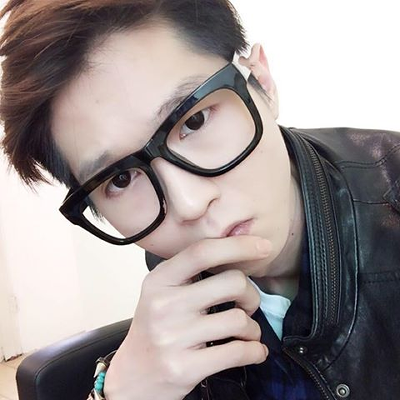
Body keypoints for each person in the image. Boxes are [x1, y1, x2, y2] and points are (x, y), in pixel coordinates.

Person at [0, 1, 399, 399]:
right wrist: (117, 392)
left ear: (261, 81)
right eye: (121, 178)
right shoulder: (170, 264)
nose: (189, 204)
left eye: (194, 120)